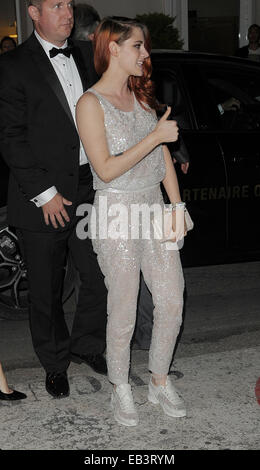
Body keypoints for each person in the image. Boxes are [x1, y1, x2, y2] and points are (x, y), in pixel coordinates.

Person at [76, 17, 186, 426]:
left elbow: (163, 160)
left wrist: (176, 208)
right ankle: (120, 387)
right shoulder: (90, 104)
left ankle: (158, 379)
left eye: (144, 47)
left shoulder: (142, 95)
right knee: (122, 307)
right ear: (113, 49)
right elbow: (104, 170)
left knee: (172, 298)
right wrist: (155, 137)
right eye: (138, 46)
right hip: (118, 211)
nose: (145, 54)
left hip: (154, 208)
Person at [0, 0, 107, 399]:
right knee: (46, 289)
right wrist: (45, 195)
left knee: (99, 276)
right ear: (33, 12)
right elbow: (10, 138)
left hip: (87, 187)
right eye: (57, 5)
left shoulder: (84, 55)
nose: (68, 13)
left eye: (69, 5)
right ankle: (55, 363)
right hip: (42, 195)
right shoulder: (13, 66)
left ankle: (87, 344)